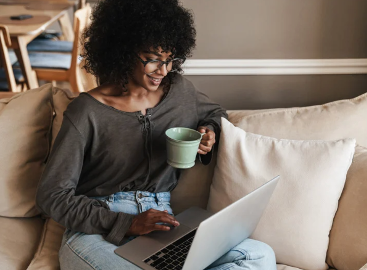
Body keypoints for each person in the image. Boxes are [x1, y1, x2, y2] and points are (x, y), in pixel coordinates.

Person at [35, 0, 277, 269]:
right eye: (152, 60)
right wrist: (126, 222)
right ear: (124, 52)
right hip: (95, 230)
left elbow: (216, 112)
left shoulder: (180, 92)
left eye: (170, 60)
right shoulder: (87, 112)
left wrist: (210, 131)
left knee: (258, 255)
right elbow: (52, 195)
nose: (163, 71)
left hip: (161, 224)